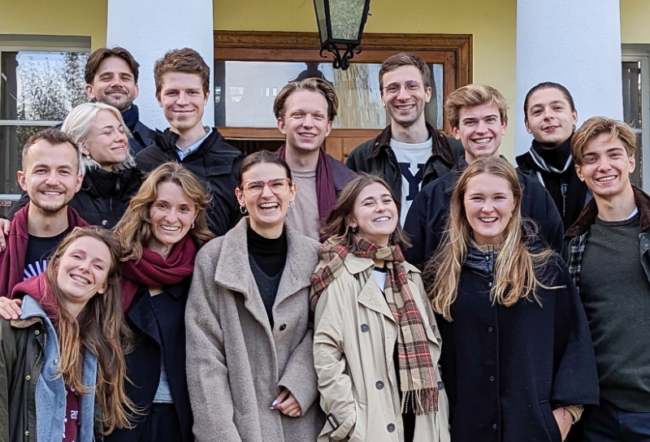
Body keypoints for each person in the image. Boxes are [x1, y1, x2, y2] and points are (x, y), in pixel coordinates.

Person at [426, 157, 599, 442]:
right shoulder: (442, 276)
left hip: (533, 430)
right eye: (477, 198)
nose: (488, 208)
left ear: (515, 202)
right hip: (462, 430)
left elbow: (574, 344)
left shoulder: (546, 270)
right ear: (461, 203)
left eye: (498, 197)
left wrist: (564, 417)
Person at [185, 151, 322, 441]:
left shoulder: (317, 257)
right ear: (240, 196)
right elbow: (204, 358)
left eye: (277, 184)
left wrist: (303, 382)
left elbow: (328, 330)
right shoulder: (212, 259)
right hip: (240, 425)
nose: (267, 194)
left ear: (292, 190)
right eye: (255, 186)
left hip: (302, 421)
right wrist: (220, 433)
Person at [311, 173, 450, 442]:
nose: (381, 207)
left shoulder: (410, 276)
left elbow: (435, 350)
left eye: (386, 200)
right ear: (351, 219)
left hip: (419, 415)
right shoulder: (339, 275)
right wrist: (347, 418)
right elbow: (326, 351)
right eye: (369, 203)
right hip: (370, 420)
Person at [105, 162, 213, 442]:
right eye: (162, 205)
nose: (171, 217)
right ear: (146, 208)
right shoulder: (114, 260)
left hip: (183, 417)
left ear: (195, 215)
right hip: (119, 414)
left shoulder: (206, 266)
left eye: (183, 208)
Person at [404, 84, 564, 269]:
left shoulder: (534, 194)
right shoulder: (431, 198)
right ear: (455, 130)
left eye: (490, 120)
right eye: (470, 122)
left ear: (503, 125)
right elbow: (412, 268)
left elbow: (555, 259)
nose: (481, 130)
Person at [0, 226, 136, 442]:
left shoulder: (96, 346)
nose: (84, 267)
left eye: (98, 265)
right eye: (77, 256)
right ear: (55, 264)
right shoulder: (11, 326)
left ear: (103, 286)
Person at [564, 117, 650, 441]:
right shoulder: (573, 245)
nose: (604, 166)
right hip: (597, 414)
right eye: (591, 158)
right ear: (579, 171)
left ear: (631, 161)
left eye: (614, 154)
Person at [136, 48, 244, 237]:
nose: (182, 101)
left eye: (192, 92)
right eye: (172, 93)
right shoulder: (143, 162)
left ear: (206, 96)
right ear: (158, 98)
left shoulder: (235, 164)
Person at [346, 52, 463, 224]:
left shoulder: (457, 154)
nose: (403, 96)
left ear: (428, 93)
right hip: (384, 251)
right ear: (382, 97)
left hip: (441, 251)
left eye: (412, 86)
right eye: (392, 88)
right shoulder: (362, 158)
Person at [8, 102, 144, 228]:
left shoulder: (139, 183)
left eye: (121, 130)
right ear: (81, 145)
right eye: (108, 132)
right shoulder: (64, 187)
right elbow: (13, 222)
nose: (120, 138)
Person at [0, 129, 86, 297]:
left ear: (78, 182)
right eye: (41, 170)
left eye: (63, 171)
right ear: (23, 180)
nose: (53, 181)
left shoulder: (96, 248)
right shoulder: (3, 242)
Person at [273, 78, 356, 241]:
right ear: (282, 124)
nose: (308, 124)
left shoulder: (349, 185)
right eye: (298, 115)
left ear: (328, 127)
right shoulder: (255, 179)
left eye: (318, 116)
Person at [516, 82, 590, 229]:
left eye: (557, 108)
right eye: (537, 111)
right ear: (527, 125)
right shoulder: (516, 182)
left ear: (574, 116)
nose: (548, 116)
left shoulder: (597, 171)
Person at [84, 47, 157, 154]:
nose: (117, 83)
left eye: (125, 78)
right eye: (107, 78)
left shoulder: (157, 146)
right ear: (90, 90)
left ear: (136, 90)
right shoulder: (65, 138)